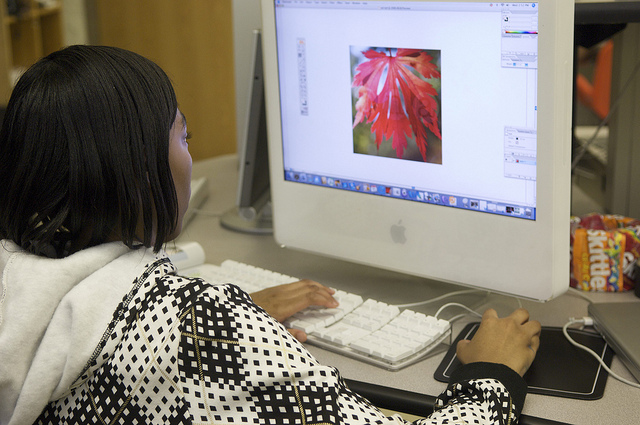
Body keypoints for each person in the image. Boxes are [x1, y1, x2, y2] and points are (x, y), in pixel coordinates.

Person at [0, 45, 541, 425]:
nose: (188, 152)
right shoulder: (195, 326)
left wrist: (212, 321)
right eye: (183, 135)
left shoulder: (19, 280)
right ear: (141, 169)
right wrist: (492, 375)